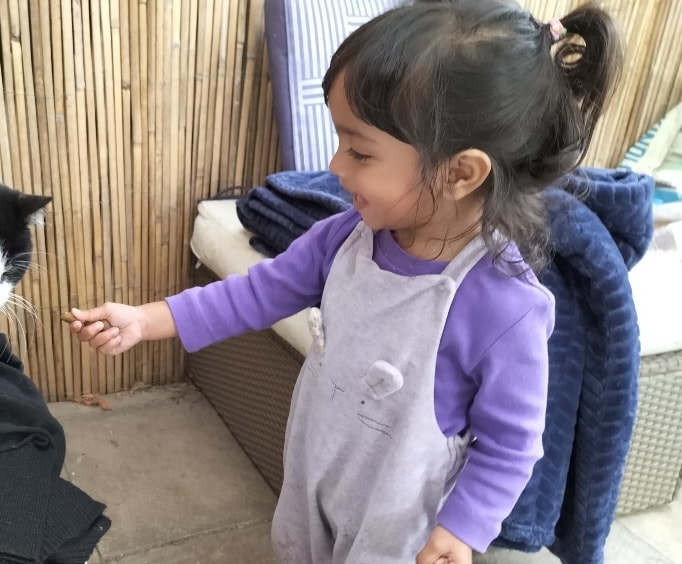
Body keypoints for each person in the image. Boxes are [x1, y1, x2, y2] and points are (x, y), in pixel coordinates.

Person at [67, 1, 621, 562]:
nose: (336, 166)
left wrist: (462, 530)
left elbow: (511, 445)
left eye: (359, 151)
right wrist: (146, 320)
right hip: (314, 475)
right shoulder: (345, 238)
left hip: (400, 525)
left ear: (460, 172)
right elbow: (257, 293)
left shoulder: (503, 304)